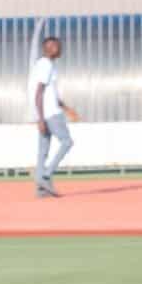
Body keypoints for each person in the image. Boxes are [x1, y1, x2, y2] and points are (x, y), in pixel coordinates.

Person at [30, 35, 80, 198]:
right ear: (48, 48)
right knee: (67, 142)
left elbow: (50, 93)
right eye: (57, 46)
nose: (60, 49)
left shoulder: (43, 64)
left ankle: (41, 189)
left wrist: (66, 108)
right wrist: (40, 117)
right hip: (50, 114)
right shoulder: (46, 65)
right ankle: (45, 175)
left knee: (42, 151)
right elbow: (38, 92)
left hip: (47, 112)